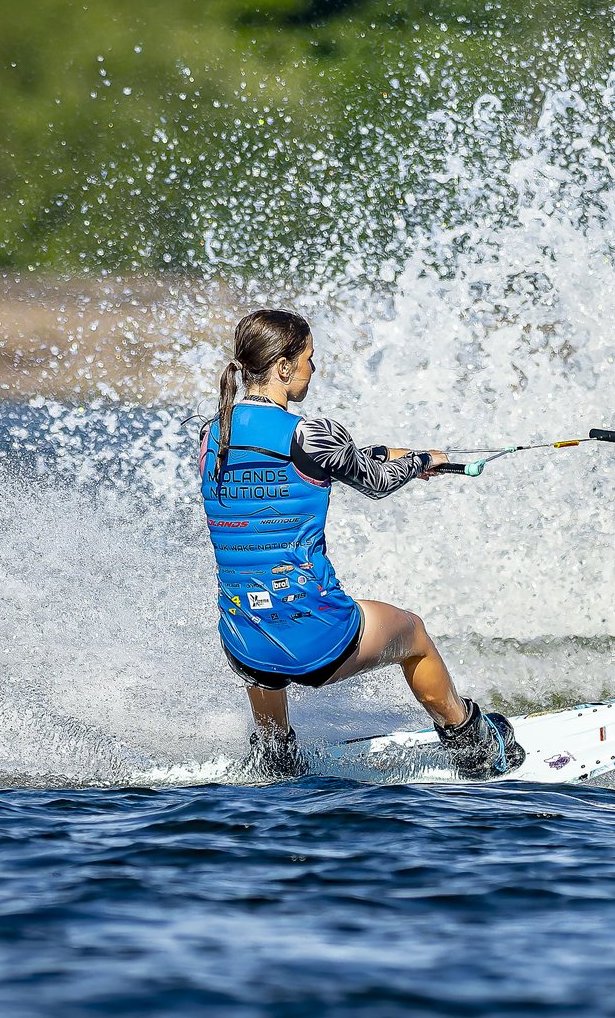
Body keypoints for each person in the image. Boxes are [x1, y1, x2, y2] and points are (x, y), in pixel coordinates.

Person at [198, 308, 523, 779]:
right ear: (284, 367)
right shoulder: (312, 432)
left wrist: (394, 454)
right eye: (310, 358)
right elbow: (373, 482)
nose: (315, 369)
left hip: (241, 639)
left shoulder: (214, 433)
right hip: (318, 639)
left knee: (257, 598)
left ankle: (274, 751)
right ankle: (475, 745)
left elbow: (307, 460)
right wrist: (418, 462)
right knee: (413, 634)